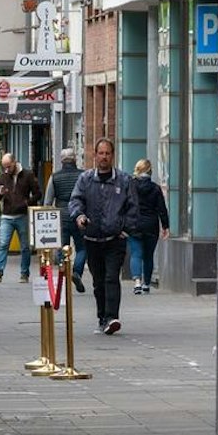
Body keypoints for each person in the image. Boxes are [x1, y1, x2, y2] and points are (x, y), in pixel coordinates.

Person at [67, 139, 137, 335]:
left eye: (107, 153)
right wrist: (80, 216)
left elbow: (133, 207)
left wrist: (126, 228)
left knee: (111, 277)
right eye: (101, 153)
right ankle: (102, 317)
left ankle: (112, 317)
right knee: (98, 281)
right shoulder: (86, 179)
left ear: (112, 156)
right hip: (92, 239)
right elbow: (75, 201)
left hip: (115, 239)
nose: (104, 157)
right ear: (95, 155)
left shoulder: (124, 180)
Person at [0, 152, 41, 284]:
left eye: (8, 166)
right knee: (3, 244)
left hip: (22, 216)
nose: (6, 169)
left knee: (25, 247)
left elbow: (38, 194)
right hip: (7, 216)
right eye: (4, 167)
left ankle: (24, 273)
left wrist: (27, 203)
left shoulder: (28, 175)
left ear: (14, 162)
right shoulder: (3, 176)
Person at [125, 159, 169, 295]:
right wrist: (165, 226)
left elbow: (125, 204)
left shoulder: (130, 186)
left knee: (136, 253)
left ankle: (137, 281)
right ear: (150, 171)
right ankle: (147, 284)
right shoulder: (155, 188)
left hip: (134, 223)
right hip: (151, 224)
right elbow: (162, 208)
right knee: (148, 255)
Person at [48, 150, 87, 293]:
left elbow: (48, 200)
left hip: (61, 216)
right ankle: (77, 272)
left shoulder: (55, 177)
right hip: (79, 216)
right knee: (82, 247)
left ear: (61, 160)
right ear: (75, 159)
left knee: (61, 248)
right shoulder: (83, 176)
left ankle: (63, 277)